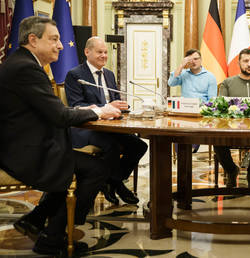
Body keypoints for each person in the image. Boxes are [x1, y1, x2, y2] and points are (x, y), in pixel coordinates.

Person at [0, 16, 121, 255]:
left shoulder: (23, 63)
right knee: (97, 169)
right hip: (22, 153)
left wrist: (92, 111)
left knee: (82, 164)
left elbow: (52, 111)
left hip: (25, 144)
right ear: (33, 40)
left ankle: (36, 220)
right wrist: (98, 111)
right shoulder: (26, 68)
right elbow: (59, 116)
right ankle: (52, 238)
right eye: (54, 39)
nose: (61, 45)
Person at [65, 36, 147, 205]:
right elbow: (77, 106)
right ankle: (118, 185)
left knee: (139, 145)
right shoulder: (75, 75)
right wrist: (106, 106)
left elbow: (115, 99)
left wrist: (122, 107)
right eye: (99, 52)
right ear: (87, 52)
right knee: (112, 146)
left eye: (105, 52)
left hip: (110, 127)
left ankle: (111, 181)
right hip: (87, 128)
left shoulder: (109, 74)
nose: (104, 56)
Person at [215, 48, 250, 188]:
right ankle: (232, 171)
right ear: (239, 63)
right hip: (230, 129)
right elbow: (222, 105)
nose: (249, 64)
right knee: (217, 141)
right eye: (245, 61)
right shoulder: (227, 83)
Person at [168, 48, 217, 153]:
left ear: (201, 59)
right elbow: (171, 83)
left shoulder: (210, 77)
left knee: (191, 132)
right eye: (190, 60)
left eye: (196, 59)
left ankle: (188, 150)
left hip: (201, 114)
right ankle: (182, 153)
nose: (194, 62)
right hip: (184, 112)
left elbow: (212, 101)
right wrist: (181, 66)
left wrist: (201, 109)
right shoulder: (184, 73)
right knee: (178, 129)